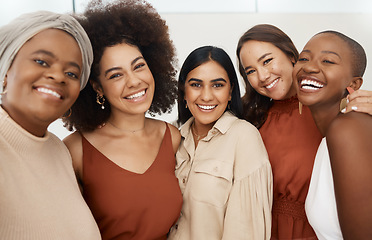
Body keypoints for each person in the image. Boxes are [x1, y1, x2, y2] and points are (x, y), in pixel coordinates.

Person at [236, 24, 372, 240]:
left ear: (292, 57)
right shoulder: (250, 121)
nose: (262, 76)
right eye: (250, 70)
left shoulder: (334, 112)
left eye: (267, 61)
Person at [62, 1, 182, 239]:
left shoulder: (172, 137)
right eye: (116, 75)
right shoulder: (76, 150)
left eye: (139, 67)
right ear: (97, 87)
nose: (134, 81)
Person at [0, 11, 101, 239]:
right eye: (41, 61)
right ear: (7, 69)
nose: (58, 76)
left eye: (72, 73)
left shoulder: (59, 151)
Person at [168, 46, 273, 240]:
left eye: (217, 85)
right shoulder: (170, 136)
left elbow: (245, 231)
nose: (206, 96)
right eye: (196, 85)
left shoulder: (244, 137)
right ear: (183, 91)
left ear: (231, 90)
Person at [294, 30, 372, 240]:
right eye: (303, 58)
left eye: (328, 61)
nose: (309, 67)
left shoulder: (348, 128)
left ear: (354, 85)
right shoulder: (332, 133)